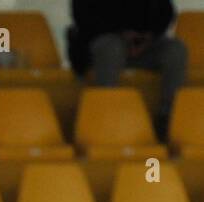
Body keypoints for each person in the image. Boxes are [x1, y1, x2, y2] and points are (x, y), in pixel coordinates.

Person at [69, 0, 186, 137]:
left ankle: (168, 118)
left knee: (175, 49)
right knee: (112, 47)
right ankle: (106, 114)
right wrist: (121, 33)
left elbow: (165, 10)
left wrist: (147, 36)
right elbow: (84, 16)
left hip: (144, 46)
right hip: (101, 44)